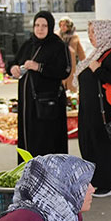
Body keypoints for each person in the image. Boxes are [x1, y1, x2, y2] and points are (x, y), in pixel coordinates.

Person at [73, 20, 111, 197]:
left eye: (94, 32)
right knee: (92, 146)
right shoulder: (96, 54)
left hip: (104, 115)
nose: (91, 36)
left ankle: (106, 182)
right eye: (89, 32)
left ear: (105, 33)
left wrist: (98, 70)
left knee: (103, 148)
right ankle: (97, 181)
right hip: (91, 114)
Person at [11, 12, 70, 161]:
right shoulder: (28, 44)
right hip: (28, 104)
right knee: (28, 140)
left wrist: (39, 67)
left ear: (50, 27)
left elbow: (64, 70)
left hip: (48, 105)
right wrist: (12, 68)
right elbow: (13, 61)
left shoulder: (57, 46)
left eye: (44, 26)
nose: (40, 29)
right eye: (37, 25)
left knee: (46, 142)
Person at [57, 17, 85, 92]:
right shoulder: (56, 36)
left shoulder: (74, 36)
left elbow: (81, 53)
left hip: (71, 65)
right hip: (59, 65)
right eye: (61, 25)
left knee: (71, 88)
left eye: (65, 25)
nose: (62, 27)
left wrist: (85, 64)